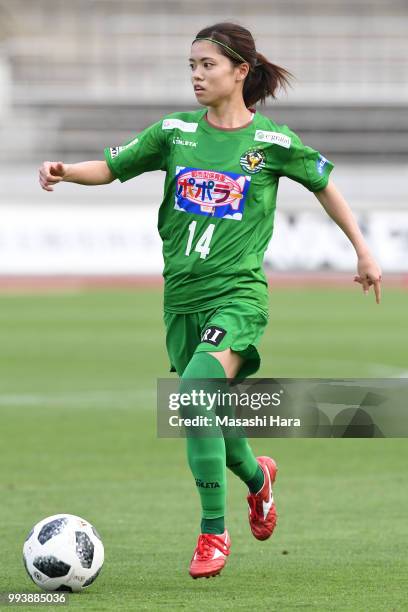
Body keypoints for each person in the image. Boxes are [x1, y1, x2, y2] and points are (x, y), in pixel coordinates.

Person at [39, 22, 382, 580]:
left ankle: (212, 532)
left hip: (239, 297)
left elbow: (323, 182)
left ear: (240, 72)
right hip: (182, 300)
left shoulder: (271, 143)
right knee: (208, 413)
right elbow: (113, 165)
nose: (196, 76)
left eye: (208, 66)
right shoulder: (174, 133)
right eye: (192, 66)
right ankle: (258, 478)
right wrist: (66, 172)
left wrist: (363, 251)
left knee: (195, 394)